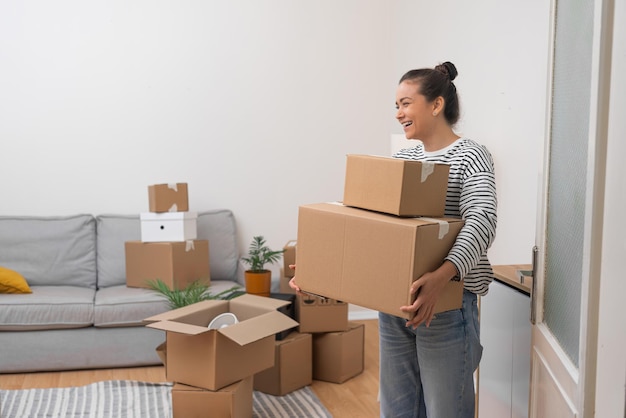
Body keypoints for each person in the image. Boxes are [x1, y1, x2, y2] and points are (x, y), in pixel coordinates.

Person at [291, 61, 497, 418]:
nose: (399, 113)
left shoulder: (471, 155)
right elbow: (379, 231)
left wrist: (440, 277)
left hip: (445, 304)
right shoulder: (404, 157)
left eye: (405, 103)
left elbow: (482, 221)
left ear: (435, 105)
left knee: (446, 410)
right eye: (396, 106)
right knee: (398, 408)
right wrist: (321, 274)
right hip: (394, 306)